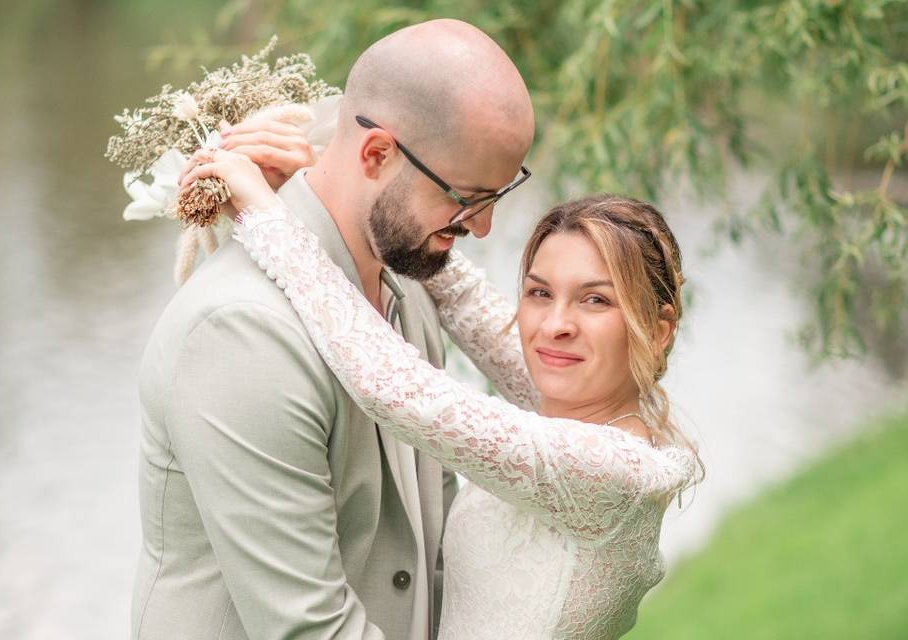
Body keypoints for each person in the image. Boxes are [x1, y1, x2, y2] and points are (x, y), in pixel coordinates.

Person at [178, 142, 702, 637]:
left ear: (657, 330)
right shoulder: (578, 407)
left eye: (595, 301)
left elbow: (396, 390)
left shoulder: (610, 469)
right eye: (540, 292)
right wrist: (329, 181)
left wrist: (264, 213)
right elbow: (461, 296)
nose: (556, 324)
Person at [131, 19, 534, 640]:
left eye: (498, 196)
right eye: (467, 197)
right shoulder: (242, 333)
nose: (480, 229)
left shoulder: (412, 283)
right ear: (376, 154)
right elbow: (310, 628)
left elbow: (435, 535)